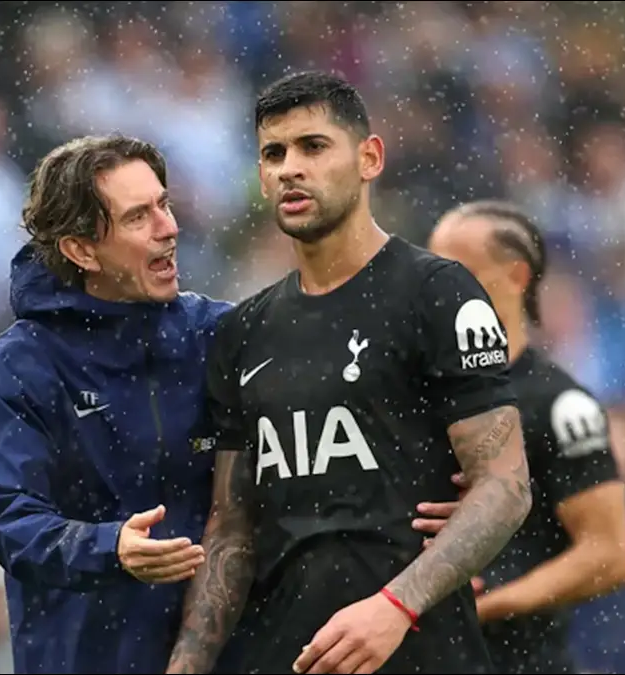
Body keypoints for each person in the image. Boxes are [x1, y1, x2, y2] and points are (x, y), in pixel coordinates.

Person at [165, 71, 533, 675]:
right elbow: (232, 529)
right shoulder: (243, 332)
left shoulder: (438, 294)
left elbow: (504, 486)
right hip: (289, 656)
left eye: (313, 147)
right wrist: (187, 664)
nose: (290, 168)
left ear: (369, 158)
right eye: (273, 153)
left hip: (421, 652)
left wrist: (394, 607)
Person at [0, 134, 233, 674]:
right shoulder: (21, 365)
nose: (169, 228)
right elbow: (9, 522)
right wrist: (110, 548)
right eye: (139, 217)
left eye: (164, 204)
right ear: (81, 249)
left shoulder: (217, 335)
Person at [416, 200, 625, 674]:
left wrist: (490, 603)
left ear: (517, 276)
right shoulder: (411, 390)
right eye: (431, 271)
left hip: (517, 660)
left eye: (457, 271)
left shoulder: (559, 406)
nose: (437, 289)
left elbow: (611, 553)